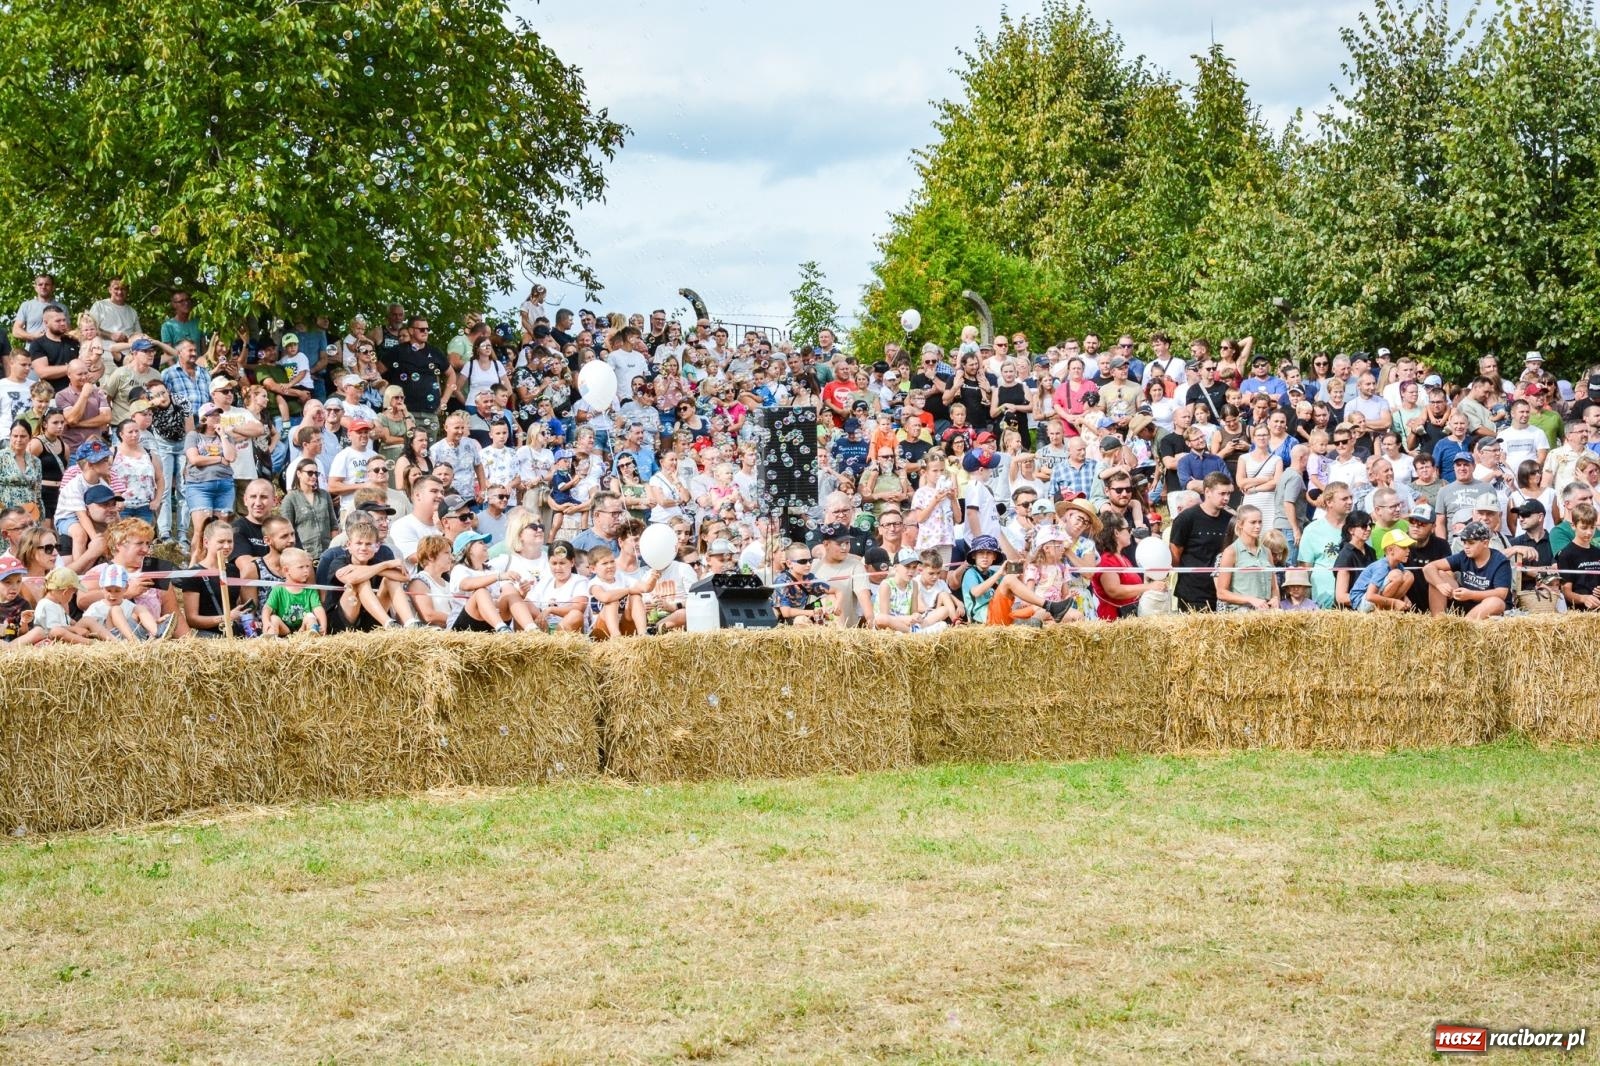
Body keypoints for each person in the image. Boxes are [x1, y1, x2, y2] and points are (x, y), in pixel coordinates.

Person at [1168, 473, 1233, 611]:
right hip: (1191, 593)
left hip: (1221, 591)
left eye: (1229, 494)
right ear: (1207, 491)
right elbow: (1175, 555)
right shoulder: (1186, 518)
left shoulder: (1230, 520)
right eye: (1222, 493)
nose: (1226, 498)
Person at [1423, 520, 1511, 618]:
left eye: (1471, 543)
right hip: (1466, 601)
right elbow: (1428, 567)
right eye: (1464, 542)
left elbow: (1501, 594)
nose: (1466, 547)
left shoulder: (1500, 561)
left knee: (1495, 602)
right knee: (1438, 575)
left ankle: (1464, 627)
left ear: (1485, 543)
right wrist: (1440, 584)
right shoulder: (1463, 555)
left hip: (1488, 607)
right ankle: (1438, 623)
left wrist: (1471, 594)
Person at [1214, 504, 1278, 611]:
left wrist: (1275, 598)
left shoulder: (1266, 552)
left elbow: (1274, 587)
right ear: (1240, 524)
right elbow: (1221, 593)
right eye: (1253, 522)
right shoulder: (1231, 552)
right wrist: (1250, 599)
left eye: (1260, 522)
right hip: (1241, 613)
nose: (1258, 526)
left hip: (1265, 612)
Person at [34, 567, 108, 643]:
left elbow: (67, 622)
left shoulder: (57, 604)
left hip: (65, 634)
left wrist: (77, 624)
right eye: (73, 593)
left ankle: (111, 640)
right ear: (65, 592)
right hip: (51, 639)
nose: (72, 596)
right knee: (57, 631)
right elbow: (53, 629)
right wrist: (75, 629)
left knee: (87, 620)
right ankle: (90, 642)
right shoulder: (46, 604)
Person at [1348, 529, 1417, 611]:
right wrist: (1395, 602)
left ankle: (1387, 610)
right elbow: (1370, 596)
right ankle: (1382, 610)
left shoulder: (1399, 565)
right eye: (1404, 547)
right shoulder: (1381, 567)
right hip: (1362, 602)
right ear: (1390, 550)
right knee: (1396, 575)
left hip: (1372, 600)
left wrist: (1404, 598)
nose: (1408, 550)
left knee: (1409, 575)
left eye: (1408, 547)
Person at [1556, 502, 1600, 610]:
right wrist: (1583, 599)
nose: (1589, 532)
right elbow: (1566, 592)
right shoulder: (1566, 554)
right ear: (1573, 526)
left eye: (1592, 527)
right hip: (1579, 612)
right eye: (1584, 528)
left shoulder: (1597, 552)